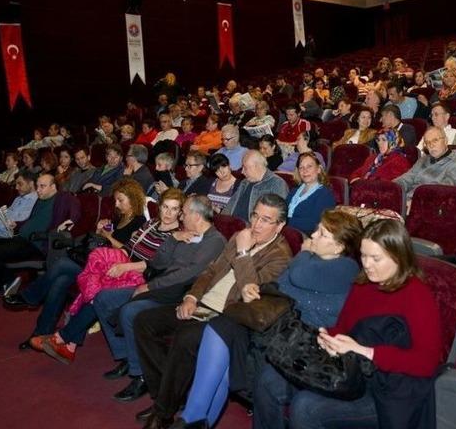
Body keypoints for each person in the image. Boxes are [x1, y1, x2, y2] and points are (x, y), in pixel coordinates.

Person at [177, 210, 363, 428]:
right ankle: (192, 419)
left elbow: (298, 277)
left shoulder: (347, 268)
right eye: (316, 230)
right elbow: (281, 286)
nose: (312, 236)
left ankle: (193, 420)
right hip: (277, 328)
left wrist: (303, 252)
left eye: (321, 234)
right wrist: (255, 290)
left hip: (301, 343)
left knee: (228, 342)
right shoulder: (312, 260)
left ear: (339, 247)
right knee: (221, 329)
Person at [254, 218, 441, 429]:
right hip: (351, 371)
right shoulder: (363, 284)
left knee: (306, 407)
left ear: (398, 257)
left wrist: (366, 351)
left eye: (375, 258)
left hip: (390, 389)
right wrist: (327, 338)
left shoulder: (417, 294)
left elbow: (426, 363)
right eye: (363, 255)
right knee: (268, 381)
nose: (367, 264)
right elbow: (344, 328)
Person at [132, 194, 293, 429]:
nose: (256, 225)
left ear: (280, 226)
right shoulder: (240, 236)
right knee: (143, 321)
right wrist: (191, 297)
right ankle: (167, 394)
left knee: (186, 338)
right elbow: (210, 271)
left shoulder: (281, 257)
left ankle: (163, 412)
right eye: (255, 216)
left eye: (266, 220)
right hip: (202, 304)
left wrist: (244, 253)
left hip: (226, 317)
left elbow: (250, 291)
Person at [99, 195, 227, 399]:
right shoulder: (184, 234)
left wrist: (149, 286)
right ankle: (128, 356)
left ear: (195, 215)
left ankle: (140, 375)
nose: (181, 217)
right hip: (162, 285)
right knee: (104, 298)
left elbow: (190, 274)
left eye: (183, 212)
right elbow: (158, 263)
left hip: (178, 293)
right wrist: (172, 239)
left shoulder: (215, 241)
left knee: (130, 311)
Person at [35, 188, 182, 363]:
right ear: (159, 207)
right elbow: (128, 249)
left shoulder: (176, 236)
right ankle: (69, 345)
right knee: (81, 279)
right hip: (123, 266)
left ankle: (62, 338)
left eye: (174, 209)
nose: (168, 213)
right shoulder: (150, 225)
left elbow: (155, 266)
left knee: (95, 292)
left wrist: (124, 267)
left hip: (139, 277)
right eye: (165, 207)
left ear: (180, 213)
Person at [0, 174, 81, 299]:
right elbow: (31, 221)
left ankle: (0, 283)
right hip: (19, 238)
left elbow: (74, 203)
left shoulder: (62, 197)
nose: (38, 190)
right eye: (37, 186)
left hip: (35, 244)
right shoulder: (39, 200)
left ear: (53, 187)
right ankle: (6, 279)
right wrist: (17, 224)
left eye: (42, 186)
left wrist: (72, 220)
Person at [395, 126, 456, 206]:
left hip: (432, 206)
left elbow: (446, 190)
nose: (431, 145)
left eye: (435, 140)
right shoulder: (423, 159)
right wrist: (393, 188)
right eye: (427, 142)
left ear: (445, 141)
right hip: (407, 200)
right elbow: (407, 178)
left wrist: (415, 202)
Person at [223, 151, 288, 221]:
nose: (242, 171)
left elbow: (276, 217)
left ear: (257, 166)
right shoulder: (244, 182)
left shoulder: (277, 183)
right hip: (232, 225)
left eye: (245, 167)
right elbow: (230, 206)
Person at [285, 152, 337, 234]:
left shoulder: (325, 194)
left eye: (309, 166)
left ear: (319, 169)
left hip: (307, 239)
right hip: (286, 233)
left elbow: (313, 225)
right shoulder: (293, 191)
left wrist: (283, 221)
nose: (305, 171)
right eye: (301, 167)